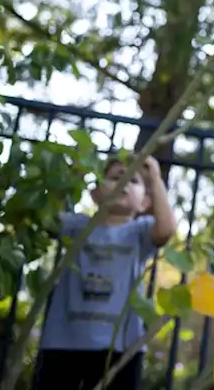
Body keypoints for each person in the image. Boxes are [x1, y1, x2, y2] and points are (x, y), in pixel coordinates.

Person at [34, 156, 176, 390]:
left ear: (145, 202)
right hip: (63, 342)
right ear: (95, 194)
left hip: (120, 347)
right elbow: (46, 218)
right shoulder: (77, 226)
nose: (124, 184)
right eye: (115, 178)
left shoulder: (139, 232)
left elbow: (166, 229)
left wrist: (155, 178)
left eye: (134, 181)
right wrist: (72, 177)